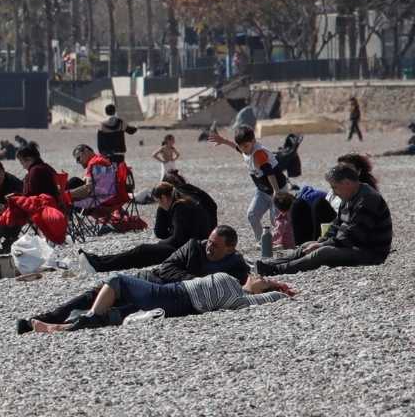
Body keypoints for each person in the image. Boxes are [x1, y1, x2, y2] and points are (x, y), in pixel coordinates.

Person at [17, 226, 250, 333]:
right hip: (152, 281)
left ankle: (65, 327)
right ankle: (44, 318)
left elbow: (236, 289)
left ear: (230, 249)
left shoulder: (237, 266)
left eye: (215, 246)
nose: (208, 247)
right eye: (209, 241)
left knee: (118, 312)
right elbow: (167, 267)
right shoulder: (193, 247)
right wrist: (196, 281)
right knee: (94, 295)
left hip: (166, 299)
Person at [26, 271, 292, 334]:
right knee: (120, 311)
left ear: (261, 290)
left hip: (175, 296)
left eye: (262, 279)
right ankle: (57, 328)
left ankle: (92, 316)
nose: (258, 277)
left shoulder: (240, 297)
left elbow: (273, 297)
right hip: (175, 300)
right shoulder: (236, 289)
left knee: (119, 281)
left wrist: (280, 290)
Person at [256, 163, 391, 276]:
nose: (333, 192)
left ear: (347, 183)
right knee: (307, 245)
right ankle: (271, 264)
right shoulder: (350, 196)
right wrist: (321, 241)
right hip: (355, 245)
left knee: (321, 252)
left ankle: (277, 270)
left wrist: (322, 245)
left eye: (334, 187)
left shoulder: (366, 200)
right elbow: (336, 224)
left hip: (371, 253)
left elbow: (353, 237)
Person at [76, 182, 212, 273]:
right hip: (185, 247)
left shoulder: (181, 208)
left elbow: (177, 238)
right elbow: (161, 232)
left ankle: (100, 265)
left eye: (159, 202)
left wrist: (160, 244)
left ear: (164, 197)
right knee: (142, 252)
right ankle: (99, 261)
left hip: (190, 252)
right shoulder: (178, 205)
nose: (158, 205)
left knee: (142, 251)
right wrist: (162, 209)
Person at [0, 144, 59, 255]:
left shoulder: (34, 172)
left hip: (40, 207)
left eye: (22, 162)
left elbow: (31, 195)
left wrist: (12, 199)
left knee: (12, 213)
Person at [209, 125, 287, 238]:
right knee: (252, 215)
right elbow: (237, 147)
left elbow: (270, 173)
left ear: (253, 141)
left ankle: (284, 241)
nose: (243, 149)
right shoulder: (245, 149)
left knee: (276, 220)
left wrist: (276, 191)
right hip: (263, 190)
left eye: (245, 146)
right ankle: (261, 241)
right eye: (241, 147)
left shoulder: (258, 154)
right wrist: (224, 141)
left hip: (278, 189)